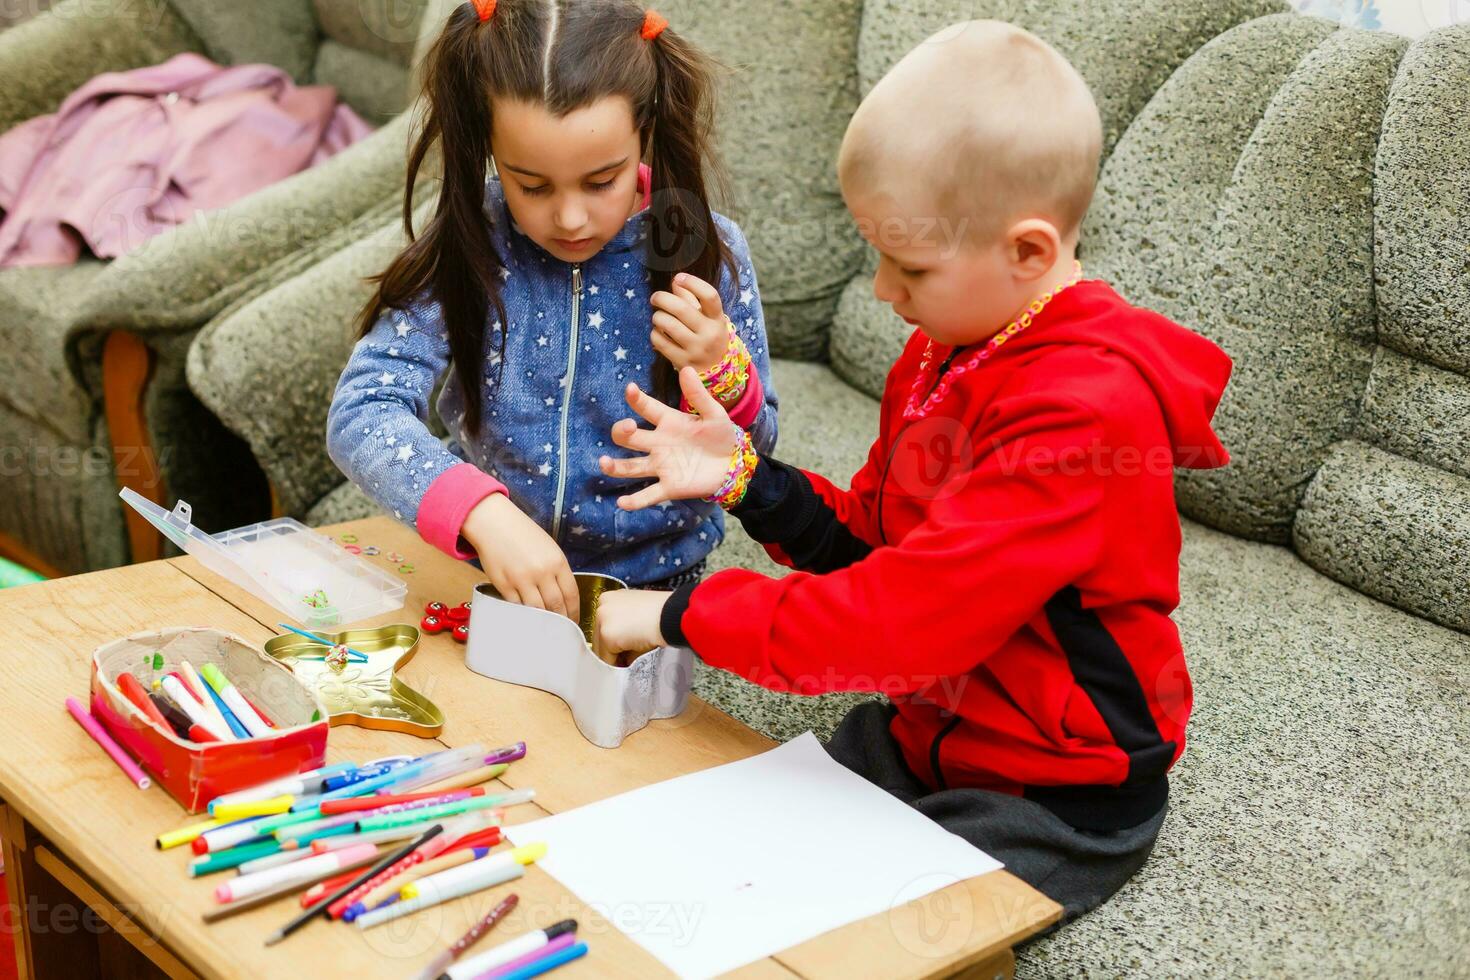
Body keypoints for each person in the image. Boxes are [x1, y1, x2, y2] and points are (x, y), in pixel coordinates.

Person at [591, 20, 1233, 923]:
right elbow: (876, 545)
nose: (884, 292)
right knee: (705, 844)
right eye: (876, 258)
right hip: (928, 731)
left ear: (1030, 253)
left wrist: (677, 614)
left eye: (910, 266)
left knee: (848, 931)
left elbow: (904, 621)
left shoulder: (1084, 415)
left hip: (1051, 788)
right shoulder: (948, 349)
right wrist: (747, 478)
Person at [327, 0, 778, 623]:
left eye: (602, 181)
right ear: (488, 147)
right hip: (486, 572)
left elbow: (759, 452)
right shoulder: (474, 241)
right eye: (531, 185)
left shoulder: (709, 254)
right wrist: (483, 515)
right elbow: (362, 410)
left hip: (655, 593)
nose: (569, 219)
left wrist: (723, 371)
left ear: (643, 130)